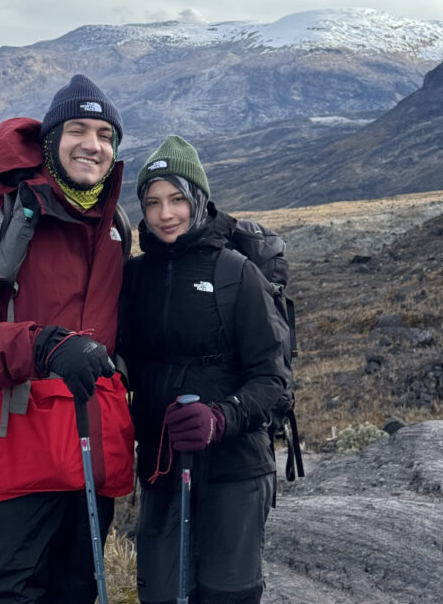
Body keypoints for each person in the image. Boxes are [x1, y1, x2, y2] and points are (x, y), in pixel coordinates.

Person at [0, 74, 134, 604]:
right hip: (3, 468)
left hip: (84, 463)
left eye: (105, 135)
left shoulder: (113, 228)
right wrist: (44, 346)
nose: (93, 145)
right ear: (50, 140)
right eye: (78, 130)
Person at [119, 135, 289, 604]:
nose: (165, 214)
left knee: (225, 595)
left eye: (177, 199)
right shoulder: (134, 277)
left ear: (198, 199)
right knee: (161, 594)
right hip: (162, 466)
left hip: (235, 469)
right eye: (152, 202)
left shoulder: (235, 274)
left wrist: (220, 417)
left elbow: (274, 381)